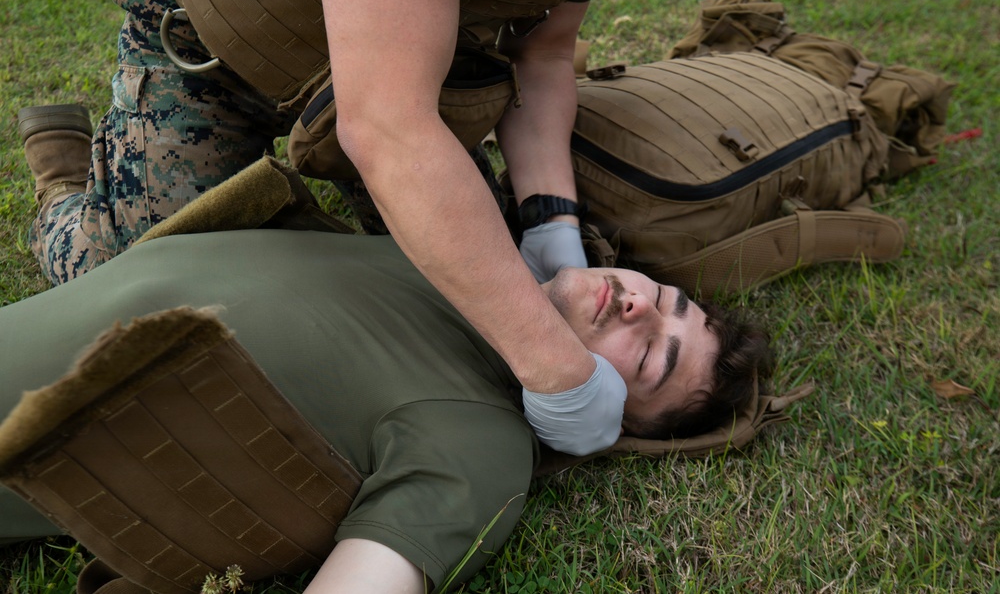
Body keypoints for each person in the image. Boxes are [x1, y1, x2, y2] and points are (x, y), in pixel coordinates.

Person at [20, 0, 640, 457]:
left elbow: (545, 54)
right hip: (220, 50)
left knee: (472, 298)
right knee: (127, 297)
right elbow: (385, 127)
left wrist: (550, 226)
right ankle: (62, 186)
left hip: (404, 73)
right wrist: (557, 371)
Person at [0, 228, 773, 593]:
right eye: (664, 298)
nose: (639, 304)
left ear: (606, 419)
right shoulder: (455, 236)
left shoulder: (479, 438)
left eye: (649, 357)